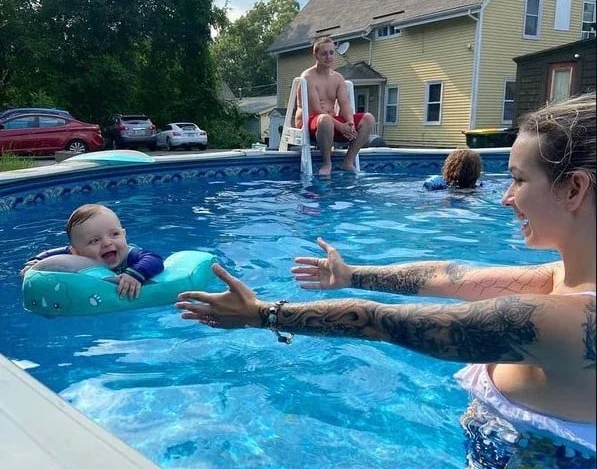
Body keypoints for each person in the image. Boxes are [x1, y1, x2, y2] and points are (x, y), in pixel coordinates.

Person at [175, 92, 595, 463]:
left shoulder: (568, 322)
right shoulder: (563, 278)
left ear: (573, 189)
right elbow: (449, 275)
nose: (506, 198)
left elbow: (380, 321)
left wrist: (262, 314)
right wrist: (352, 274)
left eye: (519, 180)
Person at [20, 203, 164, 299]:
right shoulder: (77, 258)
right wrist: (35, 262)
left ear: (124, 234)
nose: (107, 243)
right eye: (95, 240)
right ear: (76, 252)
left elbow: (154, 259)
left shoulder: (130, 255)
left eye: (115, 234)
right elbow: (53, 256)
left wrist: (135, 274)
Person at [295, 36, 375, 176]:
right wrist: (341, 126)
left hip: (330, 123)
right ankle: (327, 163)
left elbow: (345, 105)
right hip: (310, 121)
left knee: (368, 118)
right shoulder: (307, 77)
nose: (328, 57)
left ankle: (348, 161)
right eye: (324, 53)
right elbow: (316, 110)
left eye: (331, 53)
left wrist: (350, 123)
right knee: (324, 119)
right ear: (315, 55)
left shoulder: (338, 78)